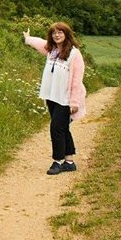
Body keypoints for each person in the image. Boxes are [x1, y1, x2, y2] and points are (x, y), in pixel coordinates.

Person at [23, 22, 86, 175]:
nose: (56, 35)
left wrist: (74, 101)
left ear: (66, 34)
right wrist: (28, 38)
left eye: (60, 32)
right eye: (54, 33)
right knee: (63, 128)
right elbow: (40, 43)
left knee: (56, 128)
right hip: (52, 96)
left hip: (65, 98)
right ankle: (69, 162)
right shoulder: (52, 50)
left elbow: (77, 79)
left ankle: (57, 161)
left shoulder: (74, 54)